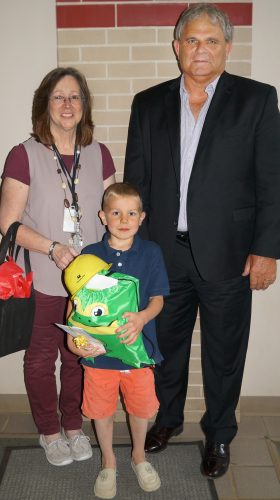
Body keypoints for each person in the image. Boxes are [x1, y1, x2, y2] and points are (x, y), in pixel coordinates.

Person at [123, 2, 280, 479]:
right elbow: (137, 183)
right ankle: (167, 421)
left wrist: (268, 249)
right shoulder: (148, 103)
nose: (201, 49)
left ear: (227, 47)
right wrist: (137, 253)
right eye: (192, 39)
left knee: (224, 353)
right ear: (176, 47)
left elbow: (271, 181)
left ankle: (218, 435)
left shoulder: (257, 99)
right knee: (163, 347)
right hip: (163, 256)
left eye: (212, 40)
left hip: (231, 256)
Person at [0, 67, 116, 466]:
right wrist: (53, 248)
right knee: (40, 356)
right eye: (58, 97)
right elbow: (8, 223)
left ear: (84, 106)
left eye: (75, 97)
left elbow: (112, 211)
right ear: (44, 105)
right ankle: (49, 431)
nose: (67, 105)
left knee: (78, 355)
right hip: (42, 276)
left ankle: (73, 426)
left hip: (90, 280)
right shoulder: (23, 154)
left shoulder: (99, 153)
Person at [66, 182, 169, 499]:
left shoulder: (151, 252)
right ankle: (108, 461)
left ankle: (139, 455)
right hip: (100, 356)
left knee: (140, 409)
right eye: (116, 212)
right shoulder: (90, 254)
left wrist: (141, 318)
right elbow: (76, 308)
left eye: (131, 213)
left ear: (142, 217)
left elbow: (157, 300)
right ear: (103, 217)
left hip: (139, 353)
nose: (124, 219)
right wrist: (77, 342)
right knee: (101, 411)